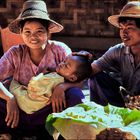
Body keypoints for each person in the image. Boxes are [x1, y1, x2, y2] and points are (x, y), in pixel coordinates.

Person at [0, 0, 85, 139]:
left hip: (49, 111)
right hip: (18, 112)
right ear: (20, 32)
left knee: (75, 95)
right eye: (27, 31)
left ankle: (60, 133)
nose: (33, 36)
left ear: (48, 32)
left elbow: (78, 79)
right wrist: (9, 98)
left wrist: (62, 87)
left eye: (39, 31)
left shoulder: (60, 49)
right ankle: (12, 132)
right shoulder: (15, 53)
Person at [79, 1, 140, 108]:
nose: (124, 33)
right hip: (127, 102)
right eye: (121, 28)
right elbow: (90, 70)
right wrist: (79, 63)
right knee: (96, 77)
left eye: (129, 28)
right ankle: (101, 114)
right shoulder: (119, 50)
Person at [7, 54, 92, 114]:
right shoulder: (58, 77)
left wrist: (42, 74)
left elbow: (34, 85)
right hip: (34, 108)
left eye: (66, 66)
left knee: (13, 84)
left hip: (29, 102)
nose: (62, 64)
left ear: (72, 78)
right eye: (64, 61)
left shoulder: (56, 79)